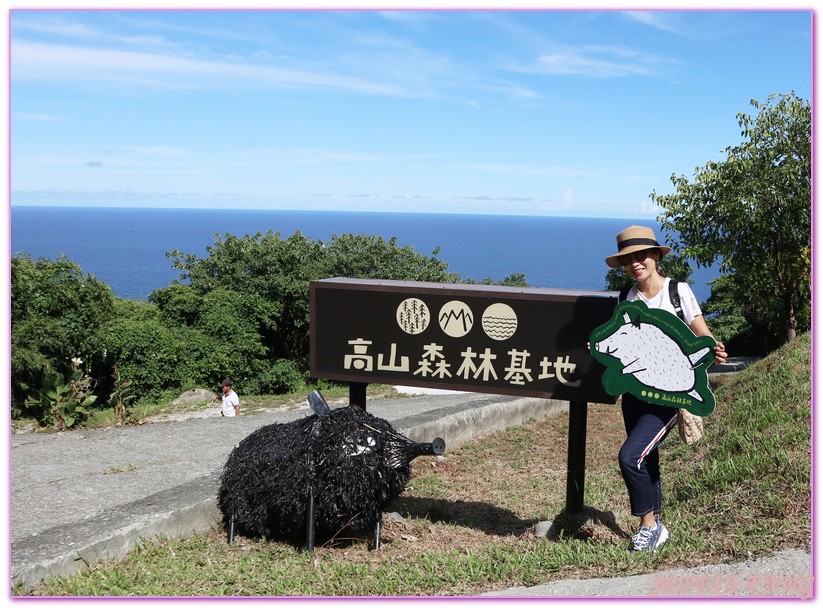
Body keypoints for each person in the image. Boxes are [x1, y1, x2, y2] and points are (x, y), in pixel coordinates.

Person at [604, 226, 727, 553]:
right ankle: (656, 520)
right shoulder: (625, 298)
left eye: (641, 255)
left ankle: (649, 526)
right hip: (634, 396)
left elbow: (700, 332)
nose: (635, 263)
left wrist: (713, 348)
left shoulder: (677, 292)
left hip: (668, 396)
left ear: (656, 256)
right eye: (628, 258)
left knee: (630, 457)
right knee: (647, 456)